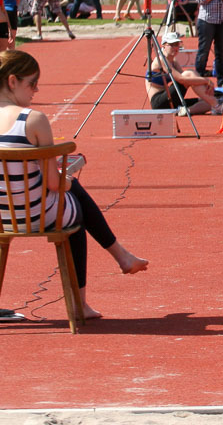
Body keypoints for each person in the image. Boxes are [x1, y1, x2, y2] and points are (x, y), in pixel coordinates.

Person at [0, 50, 148, 319]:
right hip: (35, 215)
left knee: (70, 201)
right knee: (74, 211)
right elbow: (54, 185)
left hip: (2, 216)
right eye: (32, 83)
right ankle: (81, 301)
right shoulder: (32, 120)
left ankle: (122, 257)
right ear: (12, 82)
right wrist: (67, 181)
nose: (36, 90)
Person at [145, 31, 220, 116]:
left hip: (171, 99)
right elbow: (181, 79)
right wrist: (206, 81)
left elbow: (188, 80)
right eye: (172, 45)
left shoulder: (173, 61)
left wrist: (203, 82)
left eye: (177, 45)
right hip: (159, 103)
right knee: (189, 74)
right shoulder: (161, 60)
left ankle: (185, 111)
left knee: (207, 103)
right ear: (164, 46)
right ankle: (216, 104)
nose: (175, 48)